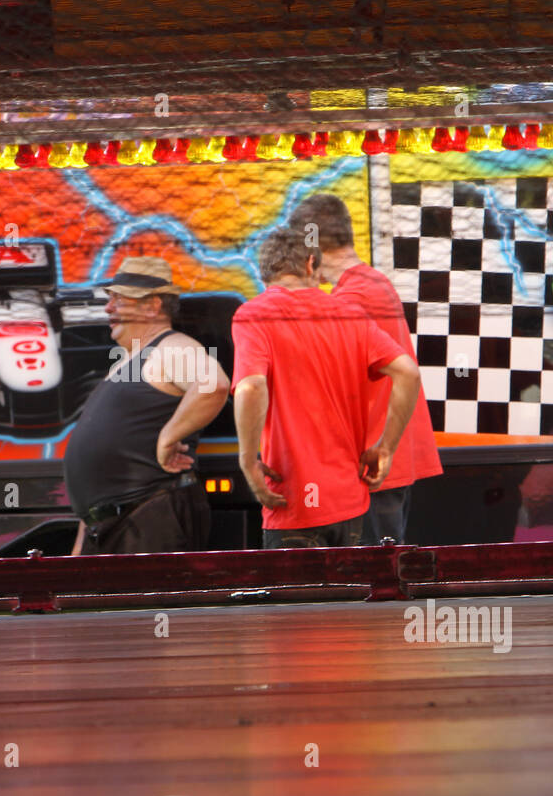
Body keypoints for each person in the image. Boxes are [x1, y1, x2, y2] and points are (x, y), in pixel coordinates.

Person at [231, 229, 421, 548]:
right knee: (353, 597)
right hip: (349, 500)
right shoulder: (350, 314)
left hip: (292, 501)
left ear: (265, 272)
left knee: (299, 599)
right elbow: (408, 373)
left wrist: (248, 460)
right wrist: (385, 447)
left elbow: (250, 387)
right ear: (310, 264)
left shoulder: (254, 315)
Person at [289, 193, 442, 544]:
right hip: (385, 461)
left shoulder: (349, 299)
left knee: (369, 585)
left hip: (368, 466)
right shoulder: (371, 283)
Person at [64, 255, 230, 554]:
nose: (108, 308)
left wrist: (168, 437)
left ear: (153, 306)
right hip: (109, 525)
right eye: (109, 299)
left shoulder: (171, 346)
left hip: (149, 518)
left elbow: (213, 385)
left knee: (148, 603)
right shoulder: (126, 362)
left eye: (119, 300)